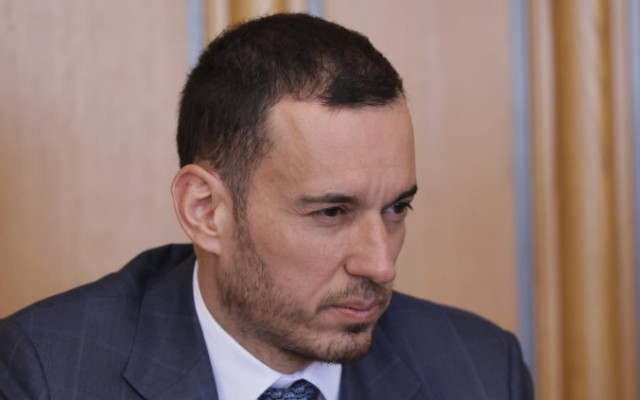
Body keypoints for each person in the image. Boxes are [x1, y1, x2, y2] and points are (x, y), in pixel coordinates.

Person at [0, 13, 533, 400]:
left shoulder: (481, 371)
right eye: (332, 212)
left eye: (395, 209)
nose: (381, 264)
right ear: (205, 211)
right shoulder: (49, 373)